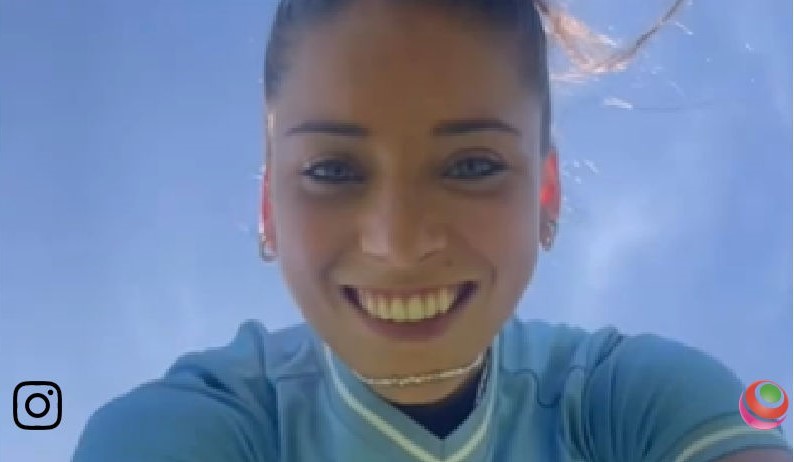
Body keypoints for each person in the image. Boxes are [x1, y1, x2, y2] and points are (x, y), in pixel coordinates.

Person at [72, 0, 791, 460]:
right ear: (269, 210)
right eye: (331, 170)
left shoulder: (635, 398)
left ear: (546, 194)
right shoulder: (193, 425)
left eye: (472, 165)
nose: (399, 243)